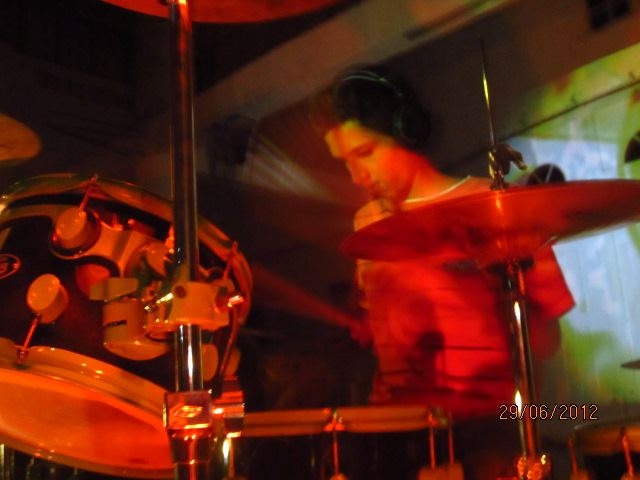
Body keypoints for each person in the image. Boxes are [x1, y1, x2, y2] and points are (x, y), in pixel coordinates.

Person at [310, 65, 575, 479]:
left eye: (365, 153)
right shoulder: (367, 222)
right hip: (394, 430)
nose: (357, 176)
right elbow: (380, 336)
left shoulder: (498, 209)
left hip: (485, 428)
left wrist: (496, 303)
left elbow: (547, 341)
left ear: (406, 131)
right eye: (345, 162)